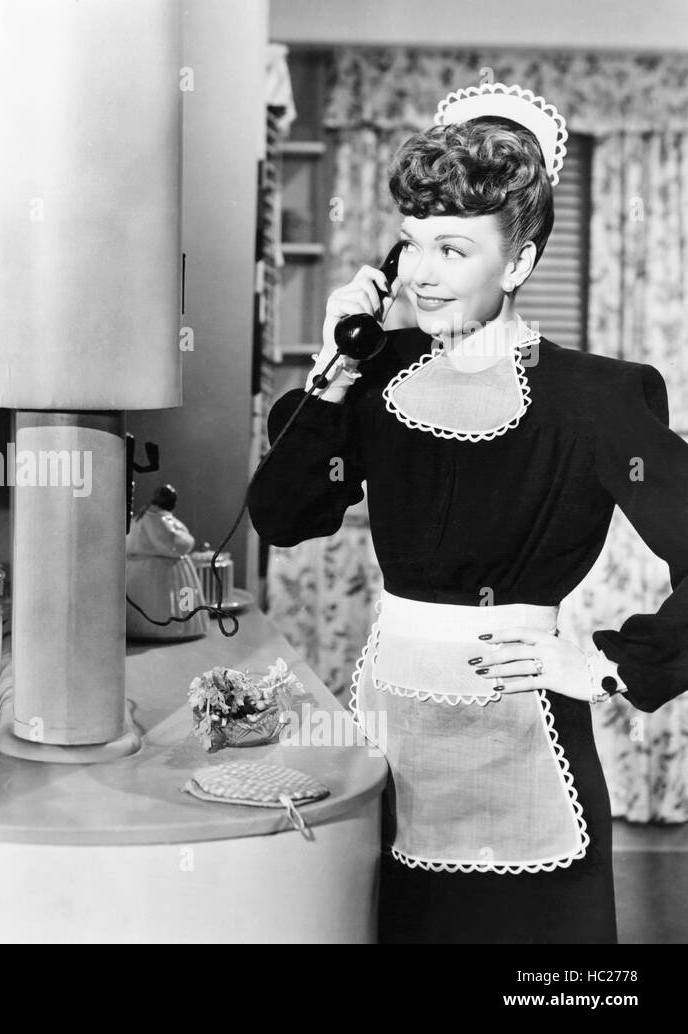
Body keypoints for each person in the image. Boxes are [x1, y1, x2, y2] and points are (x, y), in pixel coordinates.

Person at [248, 82, 688, 944]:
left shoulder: (596, 400)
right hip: (390, 749)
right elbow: (281, 514)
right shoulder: (374, 379)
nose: (419, 274)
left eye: (454, 249)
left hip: (525, 762)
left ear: (517, 264)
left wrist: (607, 663)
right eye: (411, 245)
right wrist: (332, 373)